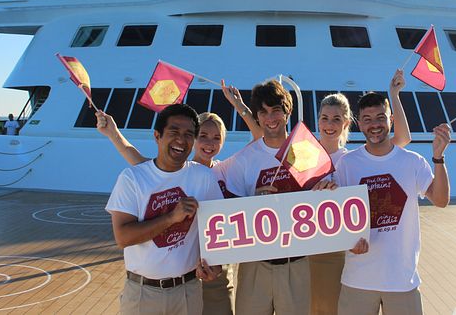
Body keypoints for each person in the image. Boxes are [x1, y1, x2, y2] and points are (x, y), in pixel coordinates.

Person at [97, 82, 261, 315]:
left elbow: (259, 141)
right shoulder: (149, 174)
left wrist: (239, 105)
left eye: (216, 137)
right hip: (151, 288)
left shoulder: (218, 172)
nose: (209, 142)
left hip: (198, 276)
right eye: (203, 135)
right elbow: (139, 163)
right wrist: (113, 134)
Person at [214, 79, 336, 315]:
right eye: (264, 112)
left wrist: (326, 192)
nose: (270, 118)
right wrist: (253, 201)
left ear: (287, 113)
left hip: (296, 262)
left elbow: (323, 207)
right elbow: (232, 211)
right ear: (257, 117)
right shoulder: (244, 159)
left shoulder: (306, 152)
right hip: (254, 264)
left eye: (276, 111)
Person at [333, 92, 451, 315]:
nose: (374, 125)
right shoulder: (347, 164)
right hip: (358, 280)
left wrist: (438, 157)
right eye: (367, 119)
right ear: (360, 123)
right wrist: (347, 241)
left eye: (380, 117)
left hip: (401, 280)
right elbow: (336, 218)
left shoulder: (412, 161)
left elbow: (441, 200)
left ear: (391, 120)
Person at [309, 69, 412, 315]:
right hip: (310, 251)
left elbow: (402, 139)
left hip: (343, 253)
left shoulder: (354, 160)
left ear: (346, 123)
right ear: (318, 121)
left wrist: (394, 95)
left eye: (336, 119)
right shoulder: (303, 157)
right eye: (324, 118)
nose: (329, 124)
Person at [105, 104, 224, 315]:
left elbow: (218, 227)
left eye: (189, 134)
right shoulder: (132, 178)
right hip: (143, 294)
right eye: (174, 132)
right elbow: (123, 237)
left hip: (188, 291)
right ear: (157, 136)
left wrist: (216, 264)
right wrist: (171, 218)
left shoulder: (204, 178)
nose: (181, 139)